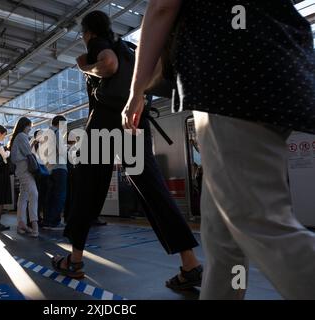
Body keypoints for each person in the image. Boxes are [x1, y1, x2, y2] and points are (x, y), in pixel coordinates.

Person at [122, 0, 315, 299]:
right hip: (283, 67)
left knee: (260, 221)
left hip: (228, 79)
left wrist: (136, 92)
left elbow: (163, 5)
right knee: (222, 237)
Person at [52, 11, 202, 288]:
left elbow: (107, 66)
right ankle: (189, 262)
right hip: (134, 120)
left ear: (88, 32)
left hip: (105, 125)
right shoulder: (128, 50)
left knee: (87, 189)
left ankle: (73, 260)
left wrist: (85, 67)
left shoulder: (97, 46)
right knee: (153, 190)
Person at [9, 117, 39, 237]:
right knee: (34, 194)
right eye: (29, 126)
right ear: (24, 125)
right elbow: (28, 153)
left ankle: (21, 223)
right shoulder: (22, 136)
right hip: (25, 169)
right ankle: (34, 225)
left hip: (20, 169)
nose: (30, 129)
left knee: (23, 196)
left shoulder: (17, 137)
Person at [42, 116, 68, 230]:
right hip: (59, 167)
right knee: (59, 196)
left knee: (51, 196)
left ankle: (47, 221)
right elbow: (61, 151)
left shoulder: (45, 135)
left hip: (49, 169)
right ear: (60, 123)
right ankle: (55, 222)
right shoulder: (56, 133)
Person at [31, 129, 49, 226]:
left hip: (36, 173)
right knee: (42, 197)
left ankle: (36, 217)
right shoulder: (41, 145)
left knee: (37, 197)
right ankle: (39, 218)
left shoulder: (32, 145)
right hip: (42, 173)